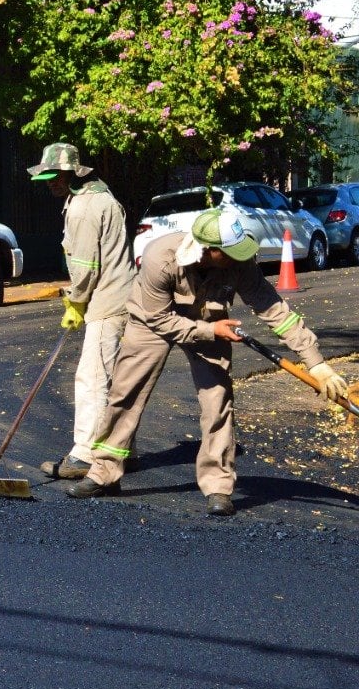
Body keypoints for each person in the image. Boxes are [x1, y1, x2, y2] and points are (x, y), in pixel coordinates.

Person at [66, 208, 350, 516]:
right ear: (207, 249)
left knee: (218, 402)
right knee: (126, 392)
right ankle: (104, 472)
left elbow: (273, 308)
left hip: (210, 322)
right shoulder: (160, 258)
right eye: (230, 252)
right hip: (152, 321)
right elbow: (159, 319)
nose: (238, 257)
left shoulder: (238, 262)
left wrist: (315, 362)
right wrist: (209, 330)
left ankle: (218, 485)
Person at [26, 142, 135, 479]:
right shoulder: (100, 196)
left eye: (54, 176)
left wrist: (76, 300)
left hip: (106, 302)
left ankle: (86, 456)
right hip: (119, 298)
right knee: (115, 381)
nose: (48, 182)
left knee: (92, 379)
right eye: (46, 176)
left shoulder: (85, 208)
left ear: (72, 174)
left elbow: (86, 266)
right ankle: (119, 449)